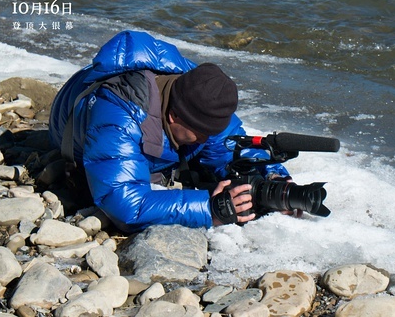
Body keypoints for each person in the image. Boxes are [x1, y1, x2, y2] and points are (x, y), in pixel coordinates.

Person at [48, 30, 291, 233]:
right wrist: (210, 209)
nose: (208, 138)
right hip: (68, 120)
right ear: (174, 116)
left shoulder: (199, 92)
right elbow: (126, 205)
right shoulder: (117, 118)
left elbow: (229, 144)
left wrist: (271, 177)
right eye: (200, 132)